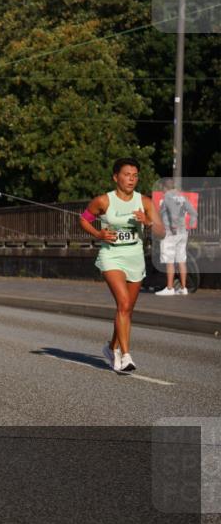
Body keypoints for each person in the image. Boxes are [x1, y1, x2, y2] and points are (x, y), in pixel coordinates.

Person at [80, 158, 164, 373]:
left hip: (135, 256)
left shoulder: (144, 201)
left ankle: (111, 348)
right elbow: (84, 219)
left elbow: (162, 232)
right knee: (124, 302)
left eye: (135, 175)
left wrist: (148, 221)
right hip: (112, 256)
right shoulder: (103, 201)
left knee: (126, 309)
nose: (131, 179)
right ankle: (126, 356)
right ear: (116, 177)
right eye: (127, 174)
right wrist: (99, 233)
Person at [156, 177, 197, 296]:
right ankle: (183, 288)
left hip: (171, 232)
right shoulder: (181, 197)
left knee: (169, 261)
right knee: (181, 260)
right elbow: (193, 212)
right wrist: (188, 225)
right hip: (183, 232)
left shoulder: (168, 196)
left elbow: (173, 214)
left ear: (164, 187)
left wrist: (173, 227)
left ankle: (169, 288)